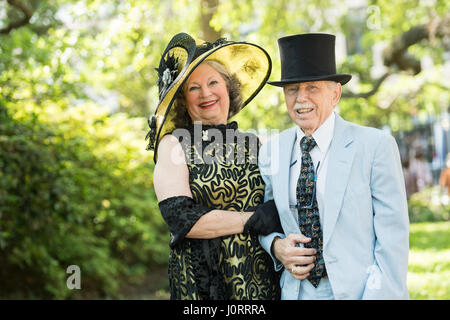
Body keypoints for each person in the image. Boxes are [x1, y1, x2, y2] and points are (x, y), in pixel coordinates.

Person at [258, 33, 410, 299]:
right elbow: (265, 219)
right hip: (294, 293)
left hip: (359, 292)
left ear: (335, 93)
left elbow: (393, 241)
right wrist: (276, 246)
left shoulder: (375, 146)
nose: (300, 99)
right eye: (292, 90)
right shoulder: (271, 150)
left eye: (312, 88)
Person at [146, 33, 282, 300]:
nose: (205, 93)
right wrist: (254, 219)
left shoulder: (259, 143)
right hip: (204, 287)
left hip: (263, 284)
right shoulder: (174, 146)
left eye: (213, 82)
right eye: (194, 87)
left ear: (228, 88)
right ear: (184, 100)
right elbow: (183, 220)